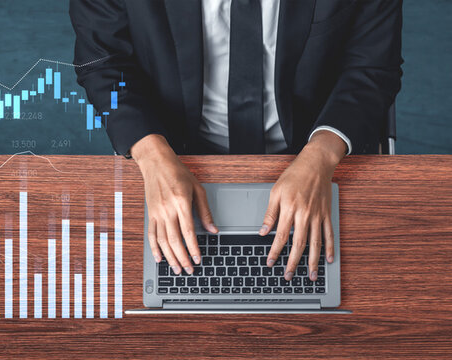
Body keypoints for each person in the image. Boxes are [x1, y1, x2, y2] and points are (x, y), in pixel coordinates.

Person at [70, 0, 402, 281]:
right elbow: (102, 62)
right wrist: (152, 153)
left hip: (314, 150)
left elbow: (372, 67)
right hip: (173, 153)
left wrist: (322, 155)